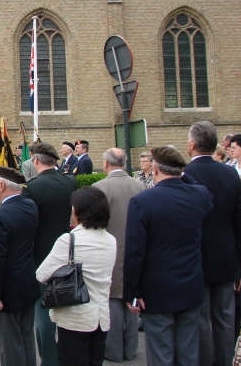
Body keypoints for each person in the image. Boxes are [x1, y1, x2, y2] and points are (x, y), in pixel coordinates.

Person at [124, 146, 213, 366]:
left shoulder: (143, 201)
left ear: (155, 169)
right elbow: (201, 190)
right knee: (188, 352)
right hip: (190, 284)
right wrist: (181, 174)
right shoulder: (199, 195)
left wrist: (132, 291)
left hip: (157, 289)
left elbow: (135, 252)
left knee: (161, 353)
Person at [183, 121, 241, 366]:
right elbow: (240, 218)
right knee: (225, 316)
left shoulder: (187, 175)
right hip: (225, 255)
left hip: (196, 256)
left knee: (201, 319)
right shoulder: (230, 173)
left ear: (191, 145)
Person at [37, 186, 117, 366]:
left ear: (80, 211)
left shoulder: (69, 240)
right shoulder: (111, 240)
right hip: (101, 316)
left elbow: (41, 274)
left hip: (74, 317)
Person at [21, 142, 76, 365]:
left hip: (41, 255)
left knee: (44, 312)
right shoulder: (70, 182)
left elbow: (29, 224)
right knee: (68, 310)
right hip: (69, 253)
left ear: (35, 160)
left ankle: (50, 360)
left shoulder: (32, 188)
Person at [92, 148, 145, 362]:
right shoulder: (140, 186)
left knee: (112, 300)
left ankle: (113, 350)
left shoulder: (99, 188)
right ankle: (130, 348)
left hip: (108, 251)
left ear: (106, 164)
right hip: (135, 249)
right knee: (131, 300)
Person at [0, 167, 39, 366]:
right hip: (28, 282)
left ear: (0, 185)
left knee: (9, 345)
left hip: (7, 290)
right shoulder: (30, 206)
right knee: (26, 338)